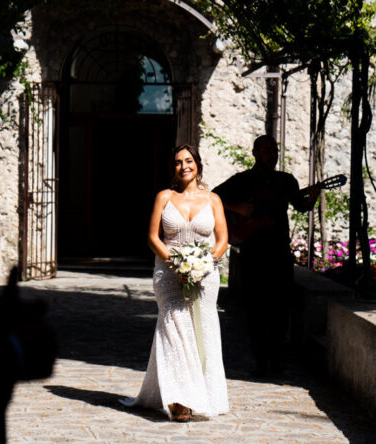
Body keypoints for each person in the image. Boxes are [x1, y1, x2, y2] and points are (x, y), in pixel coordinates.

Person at [120, 144, 229, 422]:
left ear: (198, 164)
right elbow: (153, 238)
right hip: (169, 274)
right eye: (179, 162)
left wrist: (203, 266)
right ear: (174, 168)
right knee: (174, 329)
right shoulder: (164, 197)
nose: (184, 166)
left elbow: (222, 241)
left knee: (201, 331)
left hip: (205, 275)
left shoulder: (213, 199)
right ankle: (180, 400)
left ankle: (203, 393)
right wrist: (177, 264)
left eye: (189, 161)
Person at [213, 135, 320, 376]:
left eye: (275, 150)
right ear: (255, 153)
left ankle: (276, 361)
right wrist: (237, 208)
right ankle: (261, 362)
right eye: (267, 150)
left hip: (280, 252)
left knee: (281, 309)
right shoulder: (242, 181)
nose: (272, 154)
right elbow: (213, 197)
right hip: (252, 253)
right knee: (257, 309)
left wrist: (311, 199)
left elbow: (301, 207)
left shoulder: (286, 181)